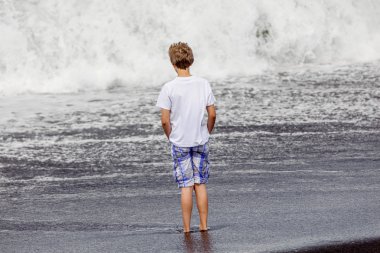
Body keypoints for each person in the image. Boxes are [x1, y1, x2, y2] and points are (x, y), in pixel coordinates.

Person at [156, 42, 216, 233]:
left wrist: (170, 136)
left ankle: (187, 228)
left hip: (180, 141)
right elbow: (212, 114)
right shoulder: (203, 84)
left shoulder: (169, 88)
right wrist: (207, 131)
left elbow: (165, 120)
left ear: (172, 63)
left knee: (185, 185)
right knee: (200, 183)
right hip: (200, 139)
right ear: (191, 61)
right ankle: (204, 225)